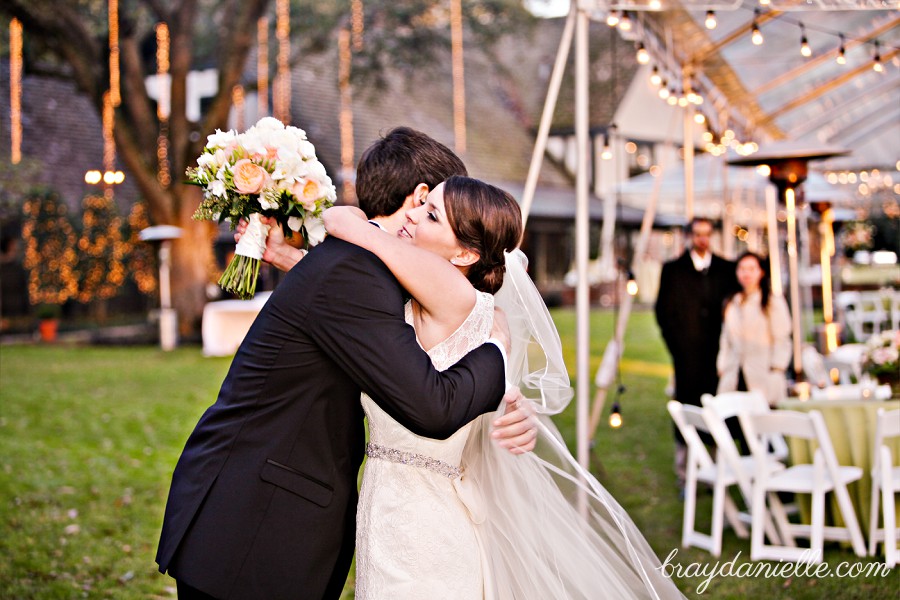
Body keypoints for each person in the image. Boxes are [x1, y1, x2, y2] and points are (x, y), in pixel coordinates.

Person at [156, 128, 535, 600]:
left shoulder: (359, 266)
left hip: (278, 517)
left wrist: (510, 403)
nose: (427, 216)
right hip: (255, 525)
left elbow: (407, 338)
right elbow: (431, 403)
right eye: (435, 206)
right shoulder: (355, 270)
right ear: (418, 198)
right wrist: (497, 351)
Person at [323, 176, 685, 599]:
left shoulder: (455, 296)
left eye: (431, 213)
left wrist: (363, 224)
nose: (414, 214)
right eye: (424, 204)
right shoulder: (422, 297)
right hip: (388, 512)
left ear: (465, 253)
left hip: (426, 527)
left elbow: (341, 221)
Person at [655, 217, 739, 490]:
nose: (703, 239)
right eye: (698, 234)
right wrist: (677, 346)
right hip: (687, 355)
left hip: (718, 354)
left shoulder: (727, 269)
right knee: (687, 410)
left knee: (718, 410)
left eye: (707, 234)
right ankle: (686, 475)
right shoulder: (673, 270)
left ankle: (719, 470)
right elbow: (663, 312)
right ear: (689, 237)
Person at [716, 252, 792, 452]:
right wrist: (723, 366)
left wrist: (777, 367)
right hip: (736, 373)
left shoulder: (771, 302)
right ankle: (747, 472)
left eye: (751, 269)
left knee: (764, 430)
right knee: (742, 428)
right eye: (742, 269)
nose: (746, 274)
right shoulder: (733, 302)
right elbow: (726, 339)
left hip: (762, 373)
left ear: (760, 272)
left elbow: (782, 338)